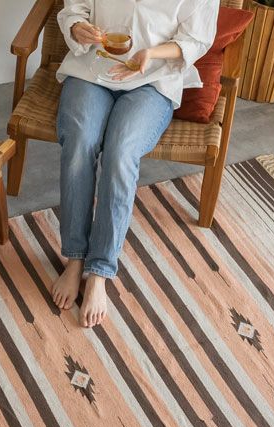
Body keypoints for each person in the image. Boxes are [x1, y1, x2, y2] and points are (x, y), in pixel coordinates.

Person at [51, 0, 219, 327]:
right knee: (79, 142)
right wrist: (77, 27)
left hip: (153, 81)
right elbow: (75, 8)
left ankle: (99, 271)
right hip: (92, 69)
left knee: (121, 152)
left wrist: (151, 54)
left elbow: (196, 38)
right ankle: (74, 259)